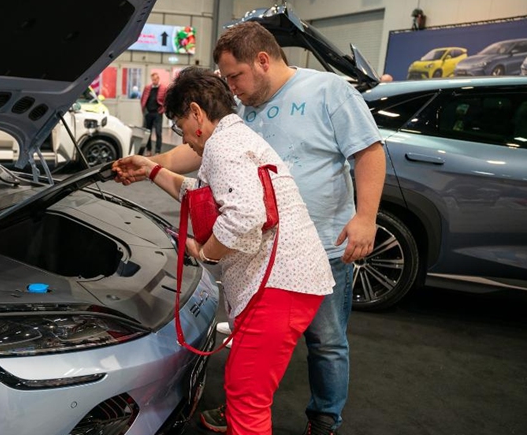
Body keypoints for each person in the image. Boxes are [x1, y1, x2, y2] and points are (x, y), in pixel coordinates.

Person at [113, 22, 385, 435]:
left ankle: (324, 421)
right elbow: (203, 190)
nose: (233, 86)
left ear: (198, 115)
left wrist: (204, 253)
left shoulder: (315, 96)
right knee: (247, 385)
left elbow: (244, 215)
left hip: (289, 271)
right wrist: (153, 168)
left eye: (235, 75)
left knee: (265, 386)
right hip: (286, 270)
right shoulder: (235, 126)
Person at [140, 72, 167, 155]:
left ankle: (157, 151)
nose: (154, 81)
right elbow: (143, 98)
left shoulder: (163, 88)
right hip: (149, 113)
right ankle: (149, 150)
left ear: (158, 79)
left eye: (155, 79)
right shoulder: (148, 88)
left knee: (158, 132)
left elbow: (166, 100)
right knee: (148, 132)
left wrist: (162, 110)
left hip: (157, 113)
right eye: (152, 80)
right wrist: (144, 110)